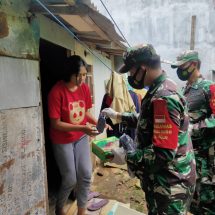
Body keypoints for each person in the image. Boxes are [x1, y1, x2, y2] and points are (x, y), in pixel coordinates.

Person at [102, 44, 196, 215]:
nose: (130, 76)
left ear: (142, 68)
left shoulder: (163, 97)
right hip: (163, 181)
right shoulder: (160, 87)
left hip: (170, 186)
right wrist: (118, 115)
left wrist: (127, 157)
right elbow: (147, 121)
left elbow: (163, 154)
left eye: (131, 71)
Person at [48, 55, 98, 215]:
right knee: (70, 178)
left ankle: (81, 211)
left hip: (80, 138)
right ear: (69, 73)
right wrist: (83, 128)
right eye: (80, 75)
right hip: (62, 140)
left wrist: (98, 122)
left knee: (85, 174)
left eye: (85, 74)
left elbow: (85, 113)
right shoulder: (56, 92)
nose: (83, 78)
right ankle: (59, 208)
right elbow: (56, 124)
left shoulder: (84, 88)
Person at [171, 50, 215, 215]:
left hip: (206, 158)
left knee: (207, 201)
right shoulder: (184, 91)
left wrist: (195, 127)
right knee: (192, 200)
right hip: (189, 156)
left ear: (194, 64)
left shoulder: (208, 87)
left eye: (182, 66)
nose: (179, 70)